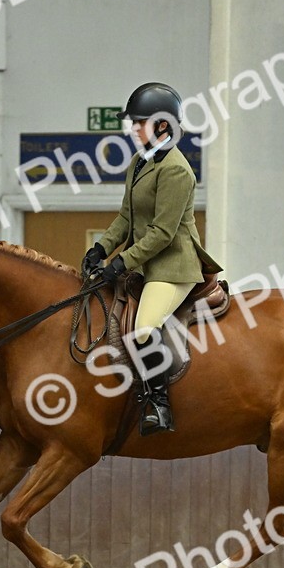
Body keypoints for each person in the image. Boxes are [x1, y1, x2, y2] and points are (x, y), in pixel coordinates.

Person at [82, 82, 223, 436]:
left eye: (139, 122)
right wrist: (101, 248)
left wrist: (121, 262)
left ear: (163, 125)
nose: (132, 129)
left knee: (144, 329)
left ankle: (158, 404)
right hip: (145, 262)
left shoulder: (177, 170)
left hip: (173, 266)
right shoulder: (140, 161)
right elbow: (126, 218)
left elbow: (161, 233)